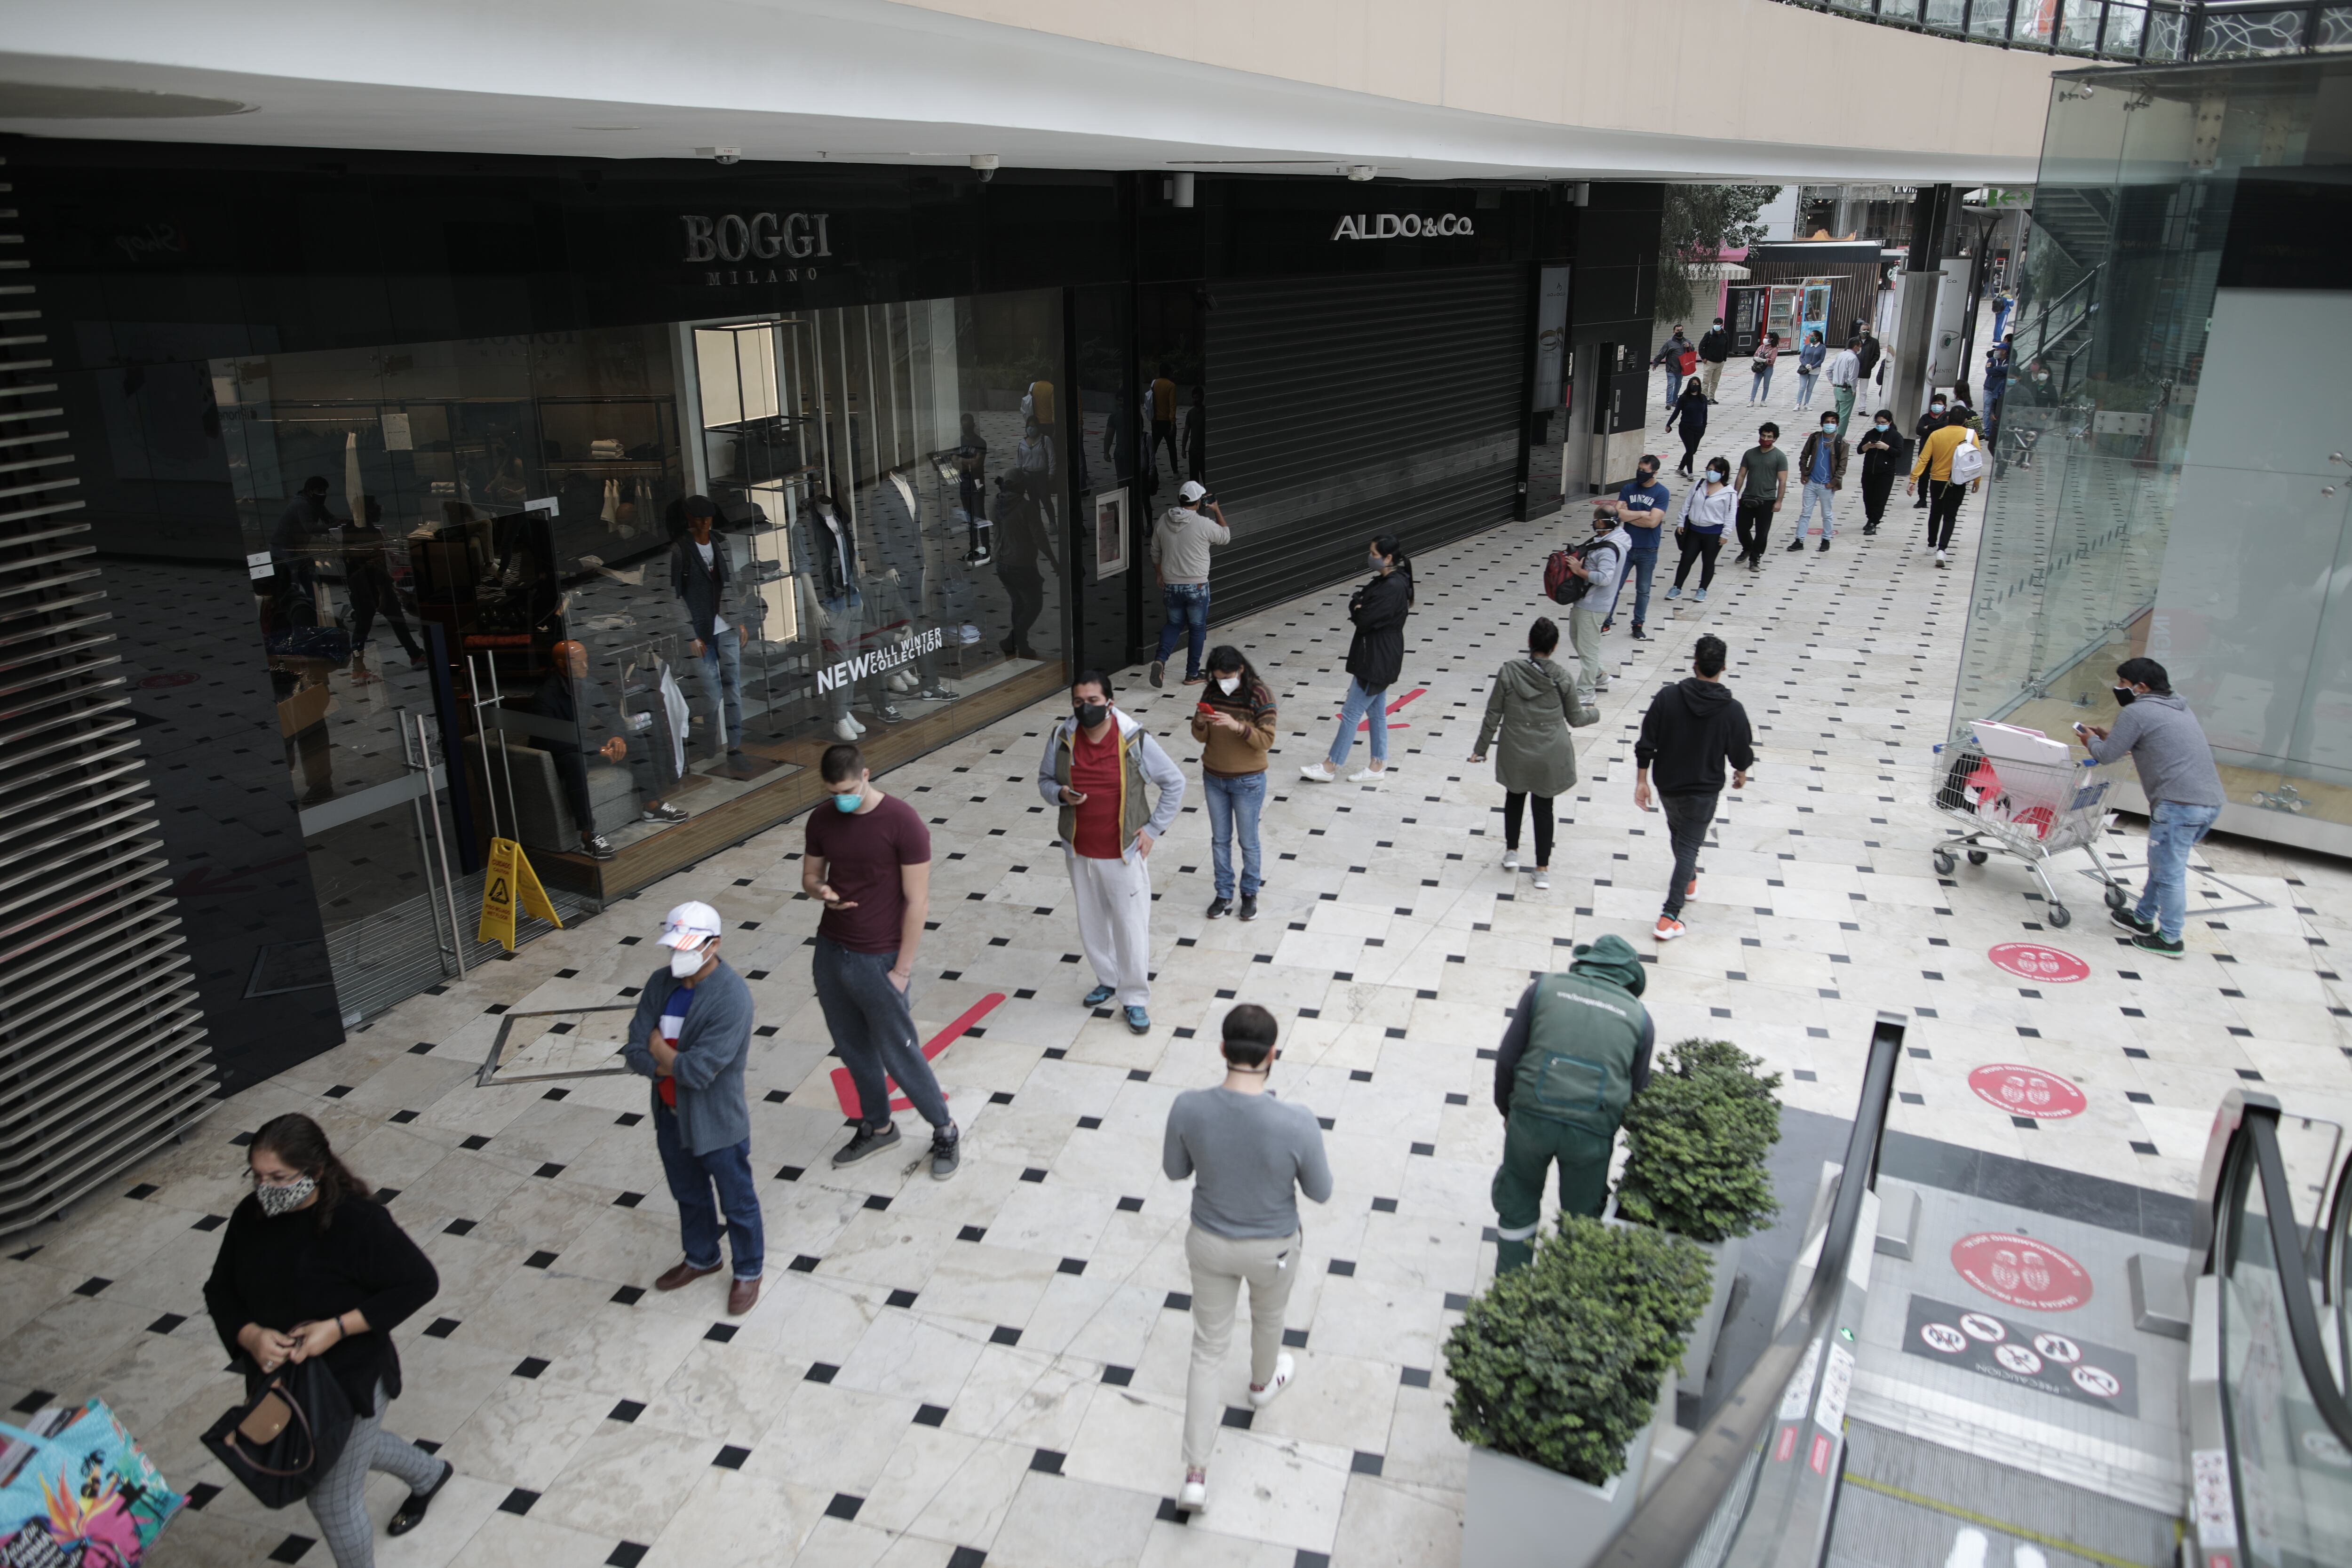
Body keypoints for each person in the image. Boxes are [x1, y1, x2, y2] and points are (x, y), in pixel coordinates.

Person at [203, 1113, 453, 1568]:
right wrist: (250, 1335)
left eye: (279, 1177)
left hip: (352, 1379)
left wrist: (336, 1328)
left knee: (331, 1502)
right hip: (284, 1381)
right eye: (258, 1176)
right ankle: (431, 1474)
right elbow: (219, 1290)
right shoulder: (250, 1217)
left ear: (315, 1172)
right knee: (353, 1450)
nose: (266, 1188)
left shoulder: (358, 1222)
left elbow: (419, 1282)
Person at [1162, 1003, 1331, 1513]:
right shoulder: (1296, 1121)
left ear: (1221, 1051)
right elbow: (1320, 1192)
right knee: (1269, 1318)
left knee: (1207, 1348)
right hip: (1272, 1248)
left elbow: (1175, 1171)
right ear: (1272, 1055)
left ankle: (1195, 1474)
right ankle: (1261, 1383)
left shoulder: (1188, 1107)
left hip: (1209, 1241)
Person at [803, 744, 961, 1176]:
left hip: (879, 957)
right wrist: (823, 892)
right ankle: (878, 1126)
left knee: (900, 1051)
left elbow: (918, 901)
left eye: (849, 790)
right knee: (853, 1048)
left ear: (867, 775)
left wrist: (902, 970)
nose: (842, 799)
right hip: (831, 949)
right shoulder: (821, 819)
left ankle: (945, 1130)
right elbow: (811, 876)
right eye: (834, 792)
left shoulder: (903, 823)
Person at [623, 901, 764, 1315]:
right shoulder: (659, 983)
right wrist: (667, 1061)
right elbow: (633, 1048)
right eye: (673, 946)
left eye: (687, 947)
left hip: (718, 1122)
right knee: (688, 1192)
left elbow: (700, 1072)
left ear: (713, 944)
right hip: (670, 1117)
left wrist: (659, 1049)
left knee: (737, 1199)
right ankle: (702, 1256)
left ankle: (749, 1270)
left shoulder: (733, 997)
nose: (677, 956)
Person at [1489, 936, 1655, 1273]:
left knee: (1517, 1199)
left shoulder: (1544, 989)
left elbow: (1507, 1060)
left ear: (1586, 962)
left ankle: (1509, 1293)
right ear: (1630, 978)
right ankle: (1566, 1298)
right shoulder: (1640, 1018)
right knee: (1582, 1217)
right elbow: (1638, 1090)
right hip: (1592, 1132)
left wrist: (1510, 1113)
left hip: (1531, 1118)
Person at [1037, 670, 1186, 1032]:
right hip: (1080, 851)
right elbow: (1044, 781)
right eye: (1078, 702)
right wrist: (1060, 794)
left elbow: (1175, 782)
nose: (1085, 708)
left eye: (1093, 701)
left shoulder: (1134, 739)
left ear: (1110, 703)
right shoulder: (1062, 737)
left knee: (1130, 927)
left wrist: (1152, 829)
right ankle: (1108, 978)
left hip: (1123, 852)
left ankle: (1134, 997)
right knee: (1091, 922)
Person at [2076, 658, 2228, 959]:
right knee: (2164, 865)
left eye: (2123, 683)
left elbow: (2105, 756)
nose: (2118, 689)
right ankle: (2143, 918)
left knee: (2169, 873)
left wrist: (2090, 740)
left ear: (2141, 687)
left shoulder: (2137, 710)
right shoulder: (2178, 706)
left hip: (2179, 807)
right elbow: (2158, 742)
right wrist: (2114, 739)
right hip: (2208, 804)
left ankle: (2171, 939)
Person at [1635, 633, 1755, 941]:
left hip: (1668, 785)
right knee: (1688, 844)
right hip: (1703, 791)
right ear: (1724, 667)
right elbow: (1740, 752)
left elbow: (1647, 741)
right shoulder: (1733, 710)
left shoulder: (1668, 697)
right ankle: (1669, 916)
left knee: (1679, 833)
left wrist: (1642, 780)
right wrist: (1741, 771)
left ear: (1695, 664)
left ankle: (1688, 880)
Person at [1470, 615, 1597, 892]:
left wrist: (1480, 749)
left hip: (1516, 746)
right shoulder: (1562, 676)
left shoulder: (1509, 671)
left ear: (1529, 643)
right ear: (1554, 647)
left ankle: (1512, 852)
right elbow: (1575, 718)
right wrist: (1595, 714)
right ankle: (1541, 870)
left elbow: (1493, 713)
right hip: (1550, 750)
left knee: (1514, 797)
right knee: (1544, 807)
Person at [536, 640, 689, 860]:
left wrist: (617, 736)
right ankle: (588, 836)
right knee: (574, 761)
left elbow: (610, 715)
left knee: (635, 738)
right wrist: (597, 750)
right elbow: (553, 739)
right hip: (562, 750)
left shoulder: (588, 684)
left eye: (586, 661)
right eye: (580, 663)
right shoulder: (546, 695)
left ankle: (652, 805)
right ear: (562, 664)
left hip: (584, 743)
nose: (586, 667)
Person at [1300, 536, 1413, 785]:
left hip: (1377, 657)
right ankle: (1378, 764)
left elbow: (1364, 619)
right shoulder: (1389, 582)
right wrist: (1359, 606)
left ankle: (1331, 766)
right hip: (1378, 653)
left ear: (1388, 558)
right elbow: (1359, 602)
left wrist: (1360, 609)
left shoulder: (1392, 587)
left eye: (1373, 553)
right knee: (1376, 712)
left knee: (1351, 712)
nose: (1370, 556)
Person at [1191, 644, 1276, 922]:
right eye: (1218, 677)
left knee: (1248, 841)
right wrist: (1201, 721)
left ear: (1240, 670)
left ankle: (1249, 893)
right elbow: (1200, 737)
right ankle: (1223, 893)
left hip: (1248, 781)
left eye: (1228, 677)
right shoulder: (1212, 690)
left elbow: (1266, 740)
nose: (1223, 682)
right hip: (1214, 777)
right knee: (1220, 840)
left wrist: (1238, 726)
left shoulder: (1259, 694)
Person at [671, 495, 746, 762]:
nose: (705, 523)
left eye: (708, 517)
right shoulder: (679, 550)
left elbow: (731, 582)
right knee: (712, 693)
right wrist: (689, 634)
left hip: (725, 626)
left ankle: (735, 747)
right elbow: (673, 596)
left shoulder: (720, 543)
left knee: (733, 689)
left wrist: (737, 618)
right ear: (689, 518)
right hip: (700, 628)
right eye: (699, 518)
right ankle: (708, 740)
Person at [1149, 479, 1232, 688]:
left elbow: (1155, 552)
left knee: (1173, 624)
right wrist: (1216, 509)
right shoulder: (1203, 524)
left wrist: (1159, 574)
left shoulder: (1162, 521)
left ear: (1180, 499)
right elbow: (1225, 537)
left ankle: (1160, 660)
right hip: (1196, 586)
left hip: (1171, 584)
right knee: (1197, 629)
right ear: (1198, 503)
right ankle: (1192, 674)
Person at [342, 498, 423, 678]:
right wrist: (384, 588)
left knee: (364, 630)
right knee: (390, 623)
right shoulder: (367, 533)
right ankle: (414, 655)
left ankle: (414, 654)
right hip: (376, 587)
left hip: (364, 588)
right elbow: (374, 564)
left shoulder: (350, 530)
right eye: (376, 507)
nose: (380, 510)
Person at [1563, 505, 1627, 703]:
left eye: (1596, 520)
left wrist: (1578, 571)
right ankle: (1599, 675)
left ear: (1602, 523)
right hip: (1587, 602)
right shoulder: (1615, 538)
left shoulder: (1608, 549)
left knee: (1589, 650)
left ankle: (1585, 692)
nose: (1594, 523)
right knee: (1577, 638)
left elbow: (1605, 578)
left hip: (1594, 604)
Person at [1603, 454, 1670, 641]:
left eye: (1645, 471)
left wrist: (1629, 515)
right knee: (1614, 586)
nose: (1640, 473)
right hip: (1626, 547)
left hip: (1648, 549)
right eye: (1639, 469)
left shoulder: (1662, 493)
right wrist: (1642, 513)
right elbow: (1617, 516)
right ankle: (1606, 621)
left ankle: (1638, 624)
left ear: (1655, 473)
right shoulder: (1628, 488)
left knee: (1643, 590)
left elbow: (1653, 522)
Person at [1908, 414, 1980, 569]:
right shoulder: (1970, 434)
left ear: (1948, 420)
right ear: (1965, 421)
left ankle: (1931, 545)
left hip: (1937, 480)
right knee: (1950, 516)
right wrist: (1977, 481)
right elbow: (1976, 459)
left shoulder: (1936, 434)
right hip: (1958, 481)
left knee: (1935, 512)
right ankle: (1942, 549)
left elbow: (1924, 458)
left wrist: (1914, 479)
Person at [1665, 456, 1735, 604]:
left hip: (1713, 533)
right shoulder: (1699, 485)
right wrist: (1681, 522)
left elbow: (1730, 515)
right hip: (1694, 531)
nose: (1711, 473)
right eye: (1709, 470)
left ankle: (1702, 589)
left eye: (1715, 471)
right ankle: (1677, 587)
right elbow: (1687, 504)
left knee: (1708, 562)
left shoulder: (1729, 493)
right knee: (1686, 559)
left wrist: (1725, 534)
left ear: (1723, 473)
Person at [1787, 411, 1848, 554]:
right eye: (1827, 422)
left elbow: (1842, 466)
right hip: (1812, 482)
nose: (1830, 425)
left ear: (1837, 425)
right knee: (1805, 513)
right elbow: (1804, 455)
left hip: (1827, 485)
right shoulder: (1815, 438)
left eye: (1833, 422)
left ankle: (1826, 539)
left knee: (1827, 514)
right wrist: (1804, 472)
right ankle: (1799, 540)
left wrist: (1833, 483)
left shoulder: (1841, 443)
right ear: (1822, 424)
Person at [1732, 422, 1788, 568]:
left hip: (1767, 500)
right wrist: (1734, 495)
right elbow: (1741, 475)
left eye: (1770, 437)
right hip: (1748, 497)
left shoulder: (1780, 457)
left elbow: (1782, 481)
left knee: (1762, 532)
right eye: (1763, 435)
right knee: (1741, 527)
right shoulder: (1750, 454)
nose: (1766, 439)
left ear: (1775, 438)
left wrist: (1779, 501)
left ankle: (1755, 558)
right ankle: (1748, 548)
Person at [1854, 409, 1903, 535]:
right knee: (1868, 497)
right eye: (1878, 423)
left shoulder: (1896, 436)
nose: (1880, 425)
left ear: (1890, 422)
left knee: (1880, 499)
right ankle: (1870, 518)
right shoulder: (1871, 434)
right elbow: (1860, 450)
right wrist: (1867, 446)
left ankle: (1874, 522)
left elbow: (1899, 453)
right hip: (1869, 471)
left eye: (1883, 423)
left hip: (1886, 473)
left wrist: (1886, 447)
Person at [1912, 393, 1952, 512]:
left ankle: (1940, 499)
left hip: (1942, 452)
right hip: (1926, 450)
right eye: (1934, 404)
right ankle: (1922, 499)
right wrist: (1937, 430)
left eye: (1939, 404)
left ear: (1945, 406)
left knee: (1941, 477)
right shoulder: (1925, 417)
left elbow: (1947, 426)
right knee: (1924, 476)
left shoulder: (1948, 416)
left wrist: (1928, 428)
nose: (1936, 406)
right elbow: (1919, 430)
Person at [1665, 376, 1709, 476]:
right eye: (1693, 384)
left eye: (1697, 385)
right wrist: (1669, 424)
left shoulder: (1703, 398)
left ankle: (1680, 469)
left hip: (1698, 428)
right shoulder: (1684, 398)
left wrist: (1704, 426)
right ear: (1689, 385)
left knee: (1693, 451)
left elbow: (1705, 413)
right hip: (1686, 428)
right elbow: (1677, 412)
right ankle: (1690, 473)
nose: (1695, 386)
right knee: (1690, 450)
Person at [1150, 362, 1182, 485]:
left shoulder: (1155, 384)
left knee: (1154, 448)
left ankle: (1150, 469)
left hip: (1156, 421)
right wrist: (1173, 423)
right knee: (1172, 447)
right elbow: (1172, 405)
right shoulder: (1171, 386)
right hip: (1167, 422)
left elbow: (1151, 402)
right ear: (1169, 372)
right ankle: (1175, 472)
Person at [1825, 335, 1863, 437]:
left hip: (1837, 388)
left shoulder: (1841, 355)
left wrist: (1833, 382)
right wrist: (1854, 389)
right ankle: (1839, 438)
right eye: (1859, 347)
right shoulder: (1853, 358)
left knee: (1838, 414)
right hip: (1846, 389)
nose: (1859, 349)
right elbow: (1852, 377)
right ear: (1855, 347)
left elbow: (1829, 370)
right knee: (1844, 416)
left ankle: (1833, 434)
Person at [1652, 323, 1692, 409]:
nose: (1680, 332)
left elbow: (1692, 350)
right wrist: (1656, 363)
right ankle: (1669, 403)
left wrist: (1689, 346)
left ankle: (1674, 401)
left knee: (1678, 385)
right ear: (1674, 332)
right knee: (1670, 384)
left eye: (1681, 330)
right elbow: (1662, 353)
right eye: (1678, 331)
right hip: (1671, 369)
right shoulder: (1669, 343)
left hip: (1681, 369)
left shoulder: (1686, 341)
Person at [1695, 316, 1732, 402]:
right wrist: (1703, 358)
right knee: (1706, 381)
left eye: (1718, 324)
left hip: (1720, 362)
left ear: (1722, 325)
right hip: (1710, 362)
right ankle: (1704, 398)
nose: (1716, 326)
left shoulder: (1725, 334)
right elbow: (1701, 346)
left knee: (1715, 381)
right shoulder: (1709, 334)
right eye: (1715, 324)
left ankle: (1711, 397)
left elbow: (1726, 347)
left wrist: (1724, 358)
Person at [1793, 330, 1826, 409]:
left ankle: (1806, 404)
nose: (1810, 337)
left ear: (1817, 337)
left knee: (1810, 388)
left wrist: (1813, 367)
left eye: (1812, 336)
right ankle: (1798, 403)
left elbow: (1821, 359)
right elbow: (1801, 357)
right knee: (1802, 387)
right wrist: (1806, 364)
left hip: (1815, 370)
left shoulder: (1822, 347)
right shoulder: (1807, 346)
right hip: (1805, 369)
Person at [1748, 332, 1780, 405]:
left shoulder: (1774, 349)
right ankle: (1752, 400)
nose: (1764, 339)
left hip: (1768, 368)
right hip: (1759, 368)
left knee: (1766, 385)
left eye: (1766, 338)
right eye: (1765, 338)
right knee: (1755, 384)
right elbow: (1755, 355)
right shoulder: (1761, 347)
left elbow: (1772, 360)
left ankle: (1763, 400)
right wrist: (1756, 358)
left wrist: (1765, 360)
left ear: (1771, 340)